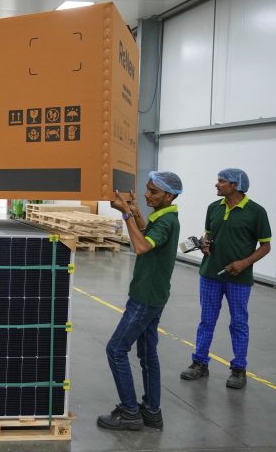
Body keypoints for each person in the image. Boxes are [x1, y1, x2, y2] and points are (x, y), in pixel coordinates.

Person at [97, 171, 183, 432]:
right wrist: (135, 213)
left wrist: (126, 215)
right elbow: (149, 234)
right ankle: (152, 411)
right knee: (147, 354)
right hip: (154, 295)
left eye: (153, 192)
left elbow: (142, 246)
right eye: (147, 189)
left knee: (116, 350)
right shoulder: (165, 217)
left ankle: (130, 413)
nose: (146, 195)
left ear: (169, 196)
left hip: (145, 298)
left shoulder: (166, 221)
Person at [180, 169, 271, 389]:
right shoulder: (213, 208)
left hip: (239, 278)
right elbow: (208, 234)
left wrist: (244, 263)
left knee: (238, 323)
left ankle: (239, 369)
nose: (216, 184)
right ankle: (199, 362)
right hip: (210, 274)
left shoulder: (256, 212)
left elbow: (265, 246)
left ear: (235, 185)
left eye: (221, 181)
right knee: (206, 320)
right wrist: (205, 244)